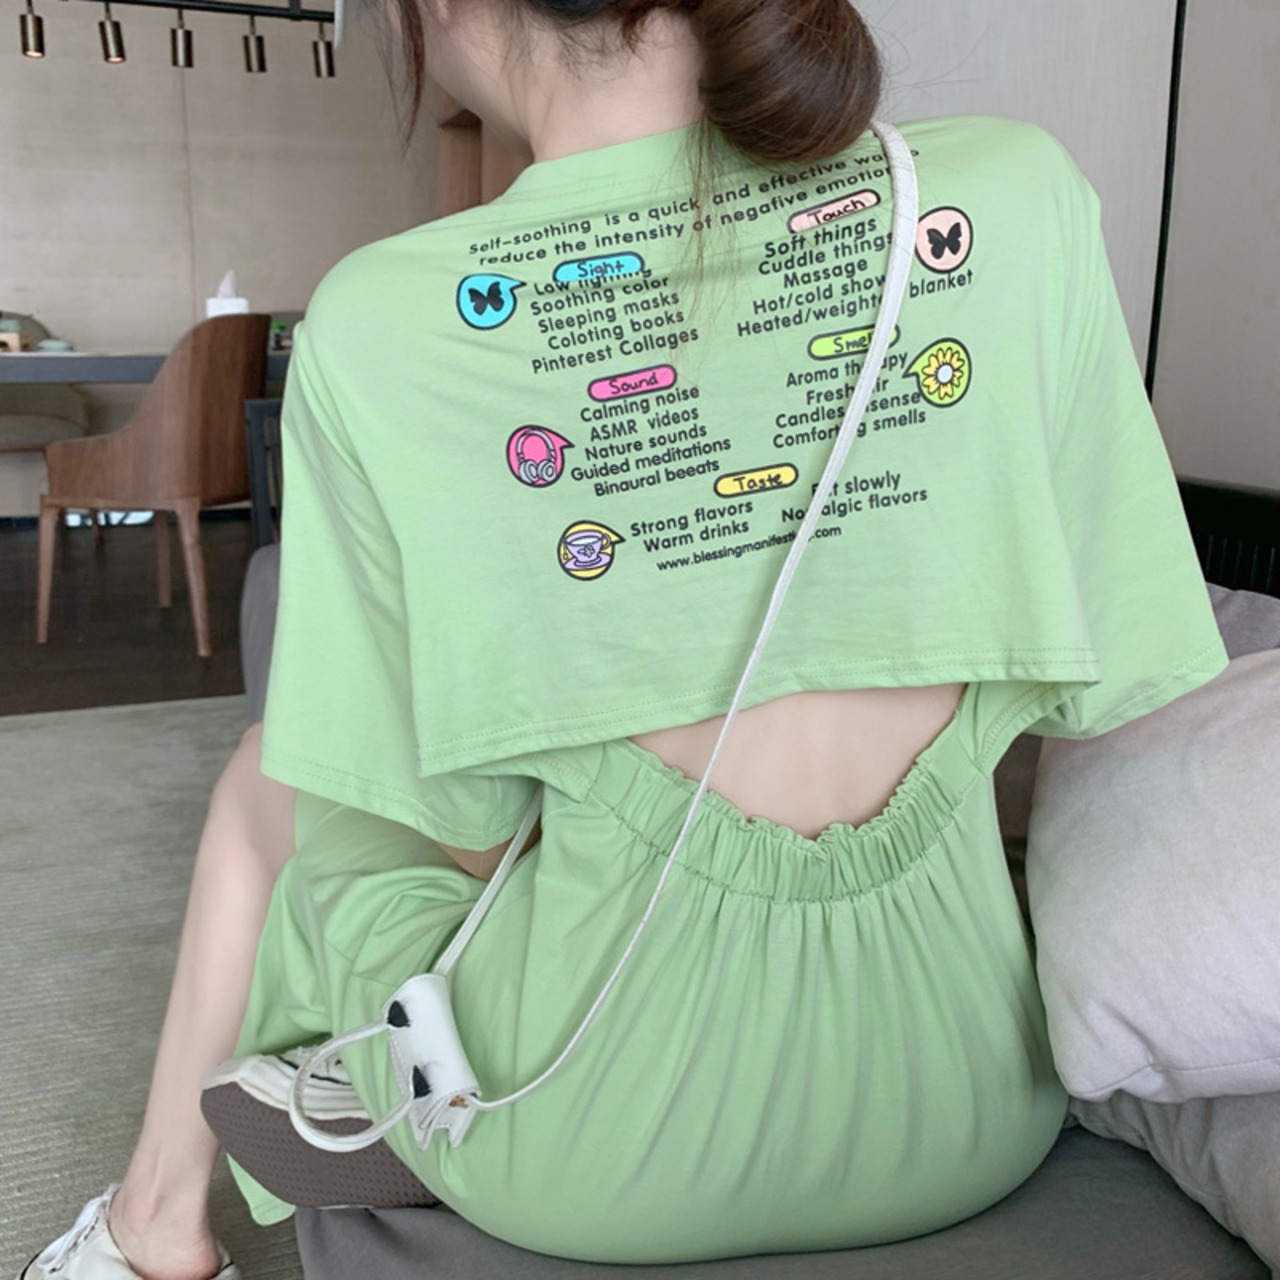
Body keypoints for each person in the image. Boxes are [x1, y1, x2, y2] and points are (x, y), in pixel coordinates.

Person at [22, 0, 1231, 1274]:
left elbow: (468, 831)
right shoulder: (1012, 194)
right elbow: (1111, 673)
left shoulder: (382, 320)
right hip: (974, 1110)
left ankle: (160, 1220)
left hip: (586, 1152)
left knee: (274, 775)